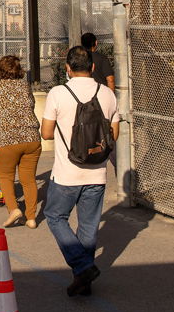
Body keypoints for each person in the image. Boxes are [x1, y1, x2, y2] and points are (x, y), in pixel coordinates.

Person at [41, 45, 120, 297]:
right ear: (93, 67)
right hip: (97, 173)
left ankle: (83, 266)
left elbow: (45, 133)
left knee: (55, 217)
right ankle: (83, 280)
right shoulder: (107, 93)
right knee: (88, 226)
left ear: (67, 68)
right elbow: (113, 136)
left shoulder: (57, 92)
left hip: (66, 173)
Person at [0, 54, 42, 228]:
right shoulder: (25, 86)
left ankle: (14, 209)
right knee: (29, 179)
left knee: (5, 175)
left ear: (1, 71)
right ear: (19, 70)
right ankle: (32, 217)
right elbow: (31, 104)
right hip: (32, 138)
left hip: (8, 140)